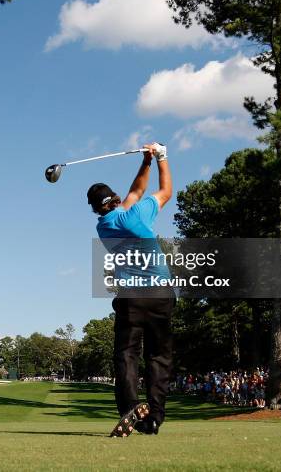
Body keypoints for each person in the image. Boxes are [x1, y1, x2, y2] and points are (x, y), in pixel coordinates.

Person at [87, 142, 174, 437]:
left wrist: (145, 163)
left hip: (130, 298)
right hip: (161, 294)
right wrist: (159, 157)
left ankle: (131, 408)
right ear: (115, 198)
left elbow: (134, 192)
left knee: (126, 356)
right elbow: (163, 192)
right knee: (158, 357)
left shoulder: (104, 228)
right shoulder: (137, 214)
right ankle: (155, 418)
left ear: (97, 209)